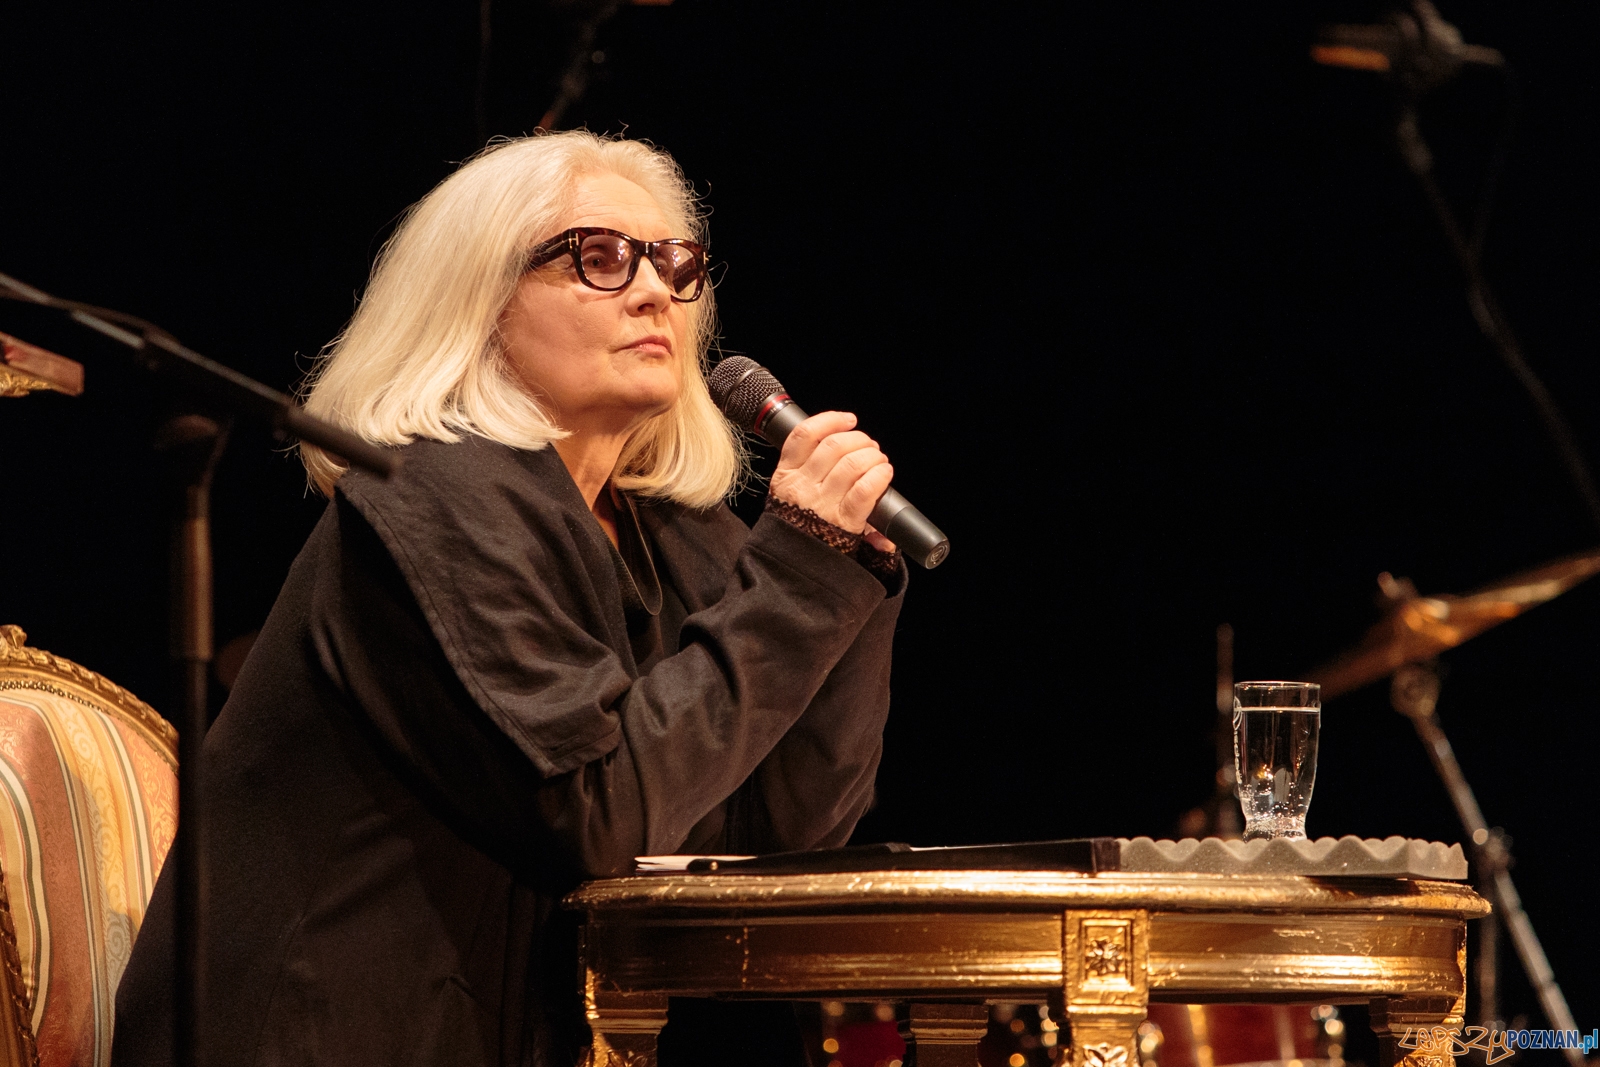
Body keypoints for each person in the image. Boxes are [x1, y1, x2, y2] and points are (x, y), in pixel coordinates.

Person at [111, 131, 907, 1067]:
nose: (655, 292)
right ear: (480, 303)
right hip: (319, 1033)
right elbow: (598, 814)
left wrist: (844, 578)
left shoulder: (668, 531)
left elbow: (775, 835)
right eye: (599, 258)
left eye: (674, 264)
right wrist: (798, 570)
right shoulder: (434, 492)